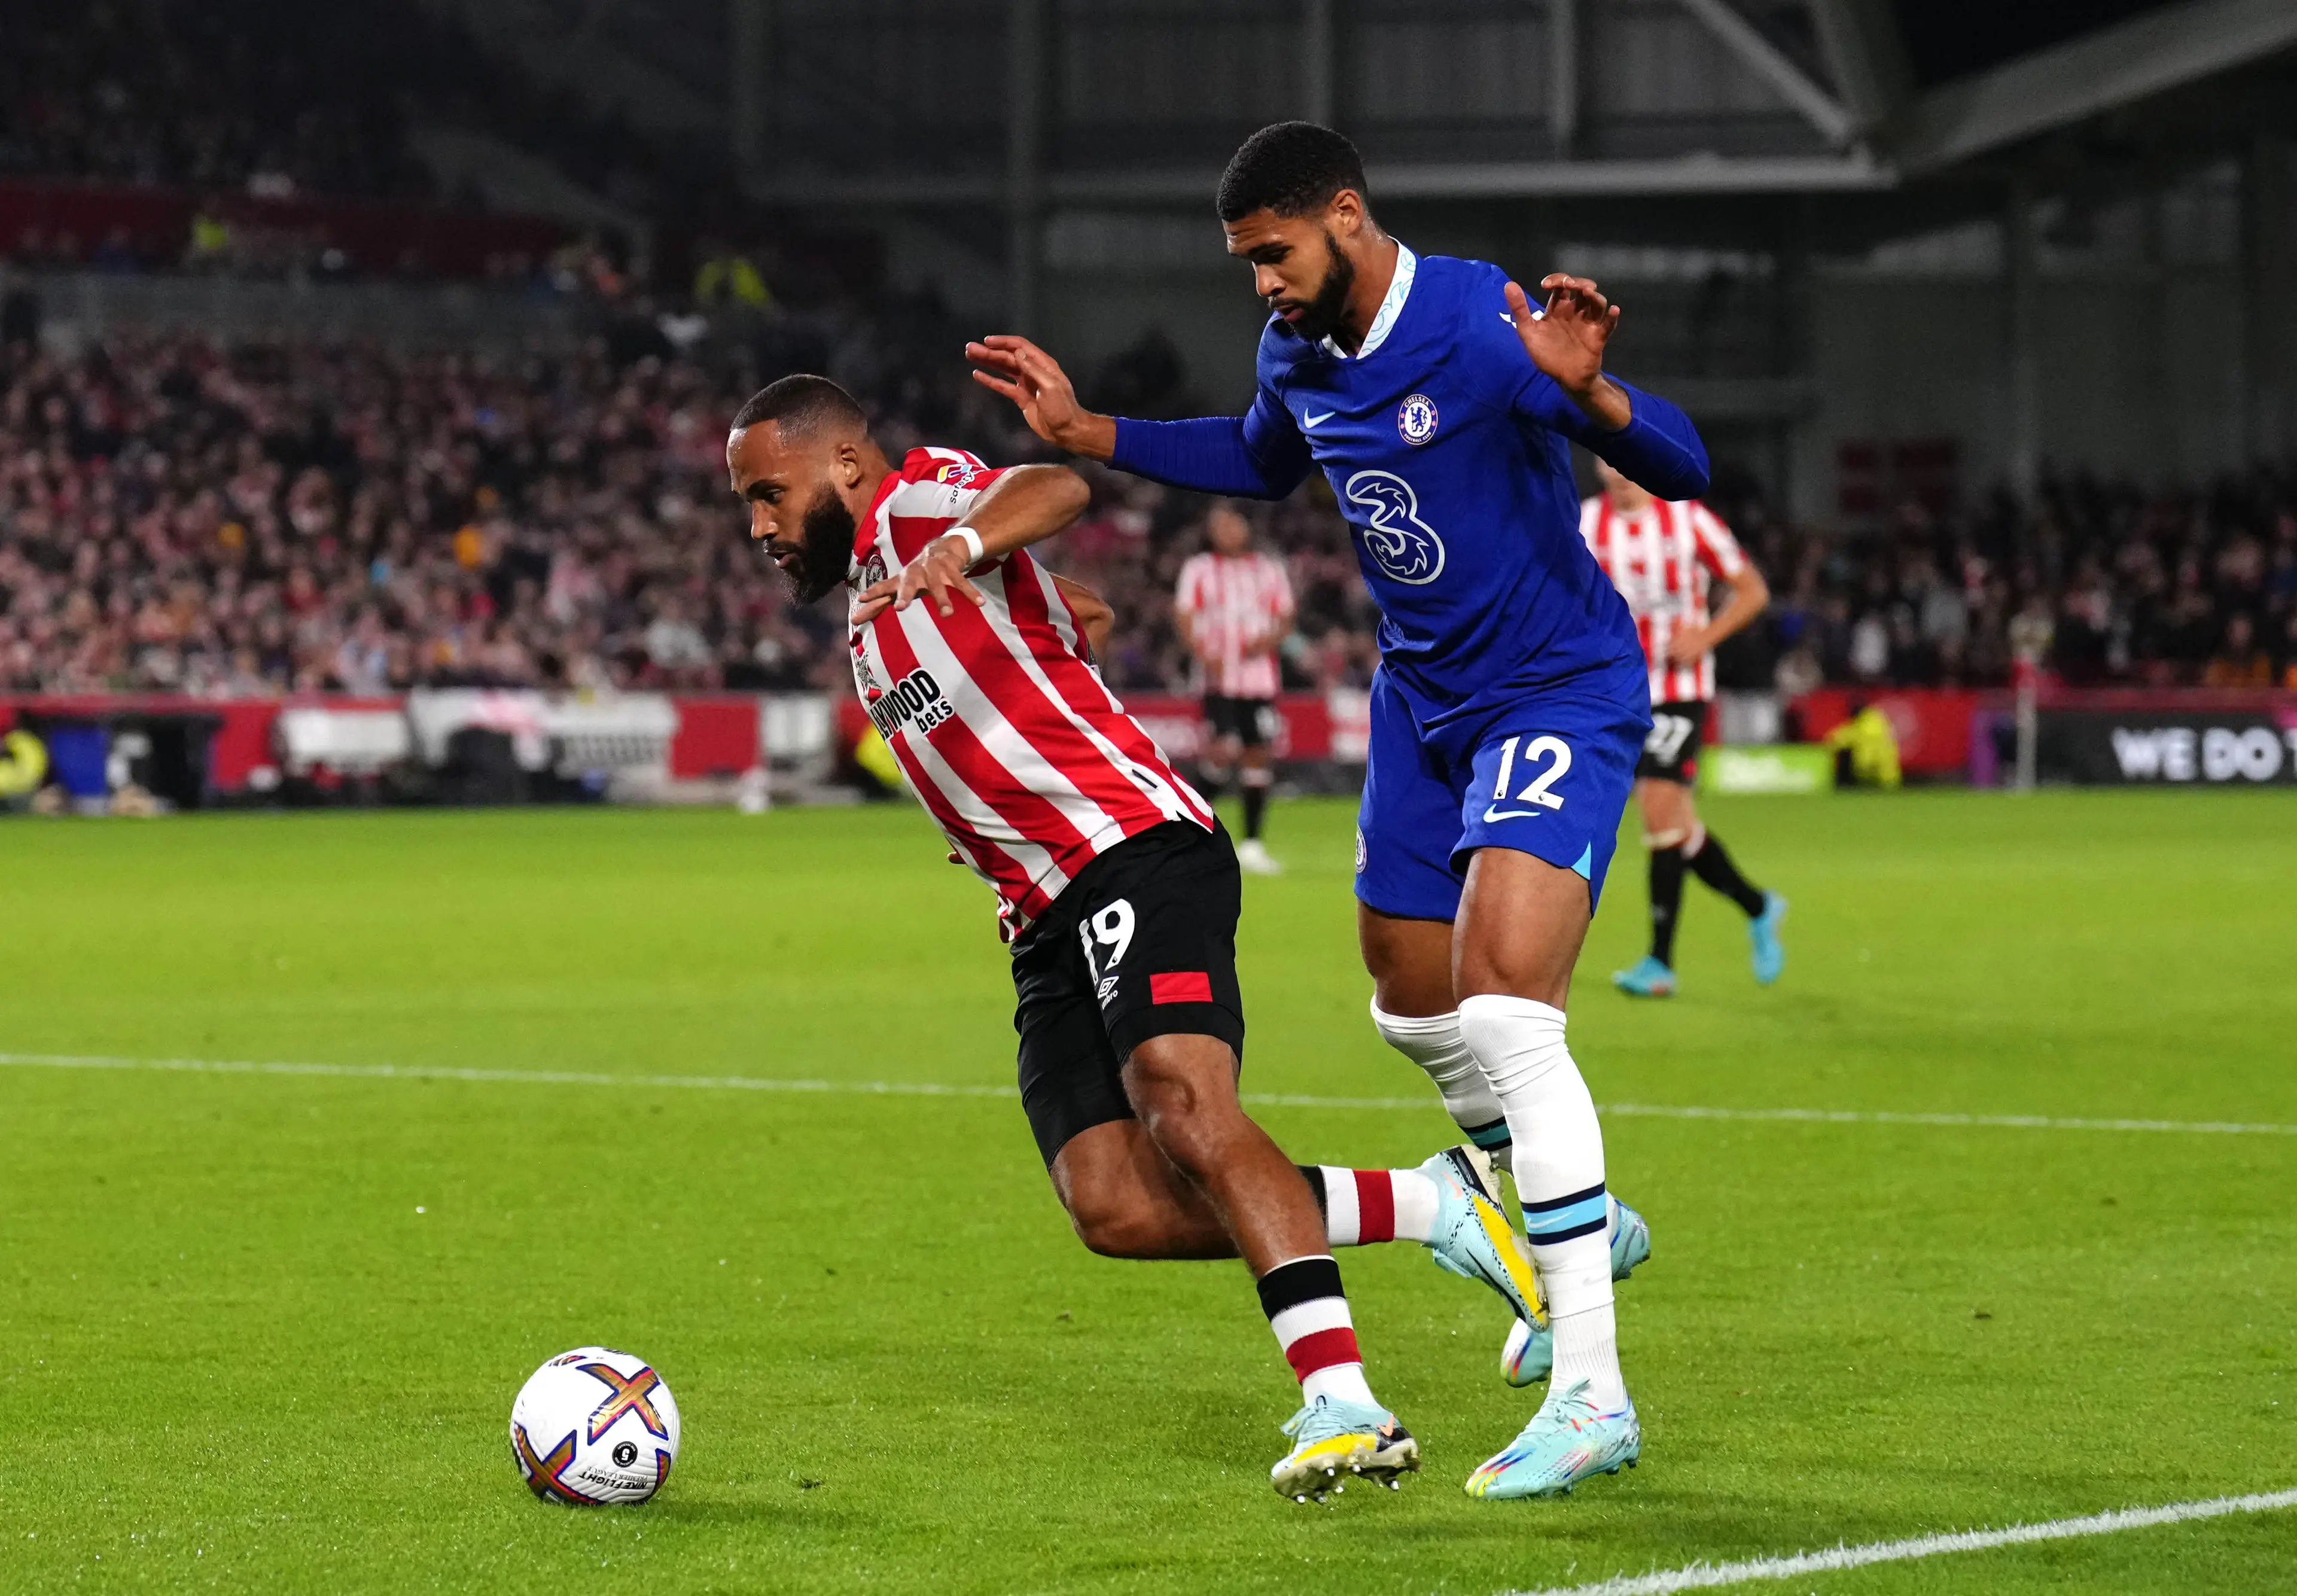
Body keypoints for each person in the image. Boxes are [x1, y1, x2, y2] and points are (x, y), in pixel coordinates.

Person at [967, 121, 1699, 1499]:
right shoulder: (1294, 353)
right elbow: (1259, 458)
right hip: (1422, 704)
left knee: (1500, 1008)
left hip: (1554, 686)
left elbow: (1687, 462)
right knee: (1405, 1000)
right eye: (1242, 264)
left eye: (1271, 254)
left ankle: (1593, 1384)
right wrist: (1086, 437)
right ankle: (1520, 1203)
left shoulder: (1482, 322)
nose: (1258, 283)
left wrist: (1593, 401)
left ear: (1345, 218)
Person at [726, 373, 1543, 1502]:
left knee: (1184, 1103)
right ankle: (1433, 1202)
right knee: (1109, 1201)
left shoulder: (917, 511)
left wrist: (962, 550)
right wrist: (1027, 645)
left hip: (1131, 846)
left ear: (847, 468)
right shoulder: (877, 598)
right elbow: (1085, 618)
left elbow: (1052, 484)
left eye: (770, 493)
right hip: (1040, 914)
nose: (759, 524)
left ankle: (1343, 1397)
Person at [1580, 460, 1787, 997]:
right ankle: (1759, 906)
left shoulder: (1689, 521)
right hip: (1616, 694)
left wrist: (1707, 636)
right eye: (1607, 459)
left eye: (1626, 458)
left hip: (1681, 690)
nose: (1620, 471)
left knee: (1657, 806)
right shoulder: (1583, 526)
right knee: (1677, 826)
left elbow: (1753, 591)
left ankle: (1659, 963)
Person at [1173, 501, 1295, 874]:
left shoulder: (1268, 569)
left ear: (1245, 528)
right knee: (1222, 752)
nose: (1226, 533)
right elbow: (1185, 614)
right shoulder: (1199, 569)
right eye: (1219, 527)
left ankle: (1252, 845)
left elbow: (1285, 615)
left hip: (1259, 680)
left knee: (1257, 754)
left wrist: (1268, 639)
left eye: (1231, 525)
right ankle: (1188, 832)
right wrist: (1201, 651)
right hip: (1218, 678)